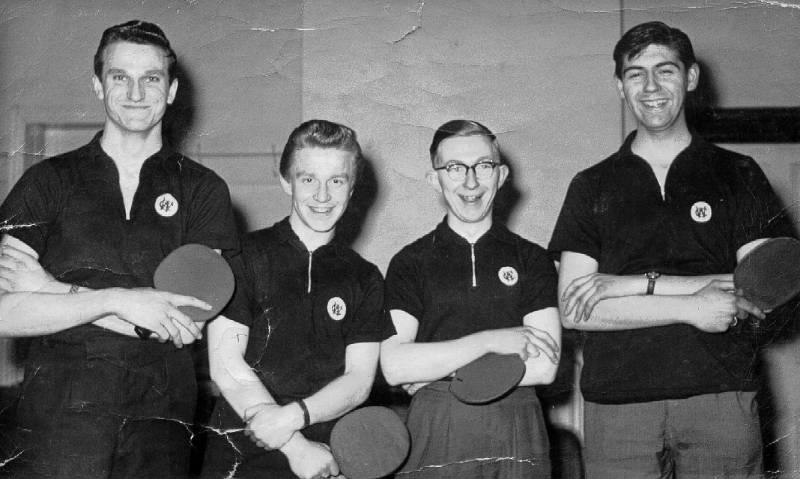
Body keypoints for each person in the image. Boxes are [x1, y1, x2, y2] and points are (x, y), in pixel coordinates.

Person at [548, 21, 793, 478]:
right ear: (620, 86)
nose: (651, 86)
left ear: (692, 77)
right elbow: (575, 309)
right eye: (636, 73)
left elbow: (758, 289)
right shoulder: (591, 185)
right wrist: (692, 306)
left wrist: (624, 285)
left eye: (666, 70)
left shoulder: (739, 173)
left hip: (720, 395)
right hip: (617, 404)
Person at [0, 20, 239, 478]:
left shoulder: (204, 191)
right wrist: (119, 300)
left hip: (160, 421)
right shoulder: (46, 182)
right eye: (119, 77)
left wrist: (51, 288)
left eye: (150, 78)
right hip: (57, 420)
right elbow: (7, 313)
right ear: (97, 85)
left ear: (170, 91)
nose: (135, 92)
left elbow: (184, 326)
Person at [200, 119, 393, 479]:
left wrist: (294, 420)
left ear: (353, 188)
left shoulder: (365, 277)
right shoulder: (242, 256)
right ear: (285, 180)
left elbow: (359, 380)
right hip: (242, 452)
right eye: (308, 179)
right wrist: (296, 447)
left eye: (337, 181)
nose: (322, 196)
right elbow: (227, 366)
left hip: (326, 458)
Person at [380, 119, 561, 478]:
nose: (471, 181)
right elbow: (395, 367)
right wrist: (491, 341)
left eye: (483, 166)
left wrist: (436, 368)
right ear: (435, 179)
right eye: (455, 168)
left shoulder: (532, 259)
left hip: (516, 427)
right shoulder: (409, 262)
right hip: (437, 428)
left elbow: (545, 366)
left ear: (501, 174)